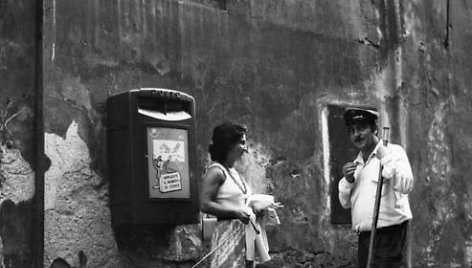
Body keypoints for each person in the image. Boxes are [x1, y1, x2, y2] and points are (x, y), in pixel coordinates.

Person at [338, 108, 414, 268]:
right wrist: (348, 181)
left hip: (391, 235)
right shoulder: (356, 164)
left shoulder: (394, 152)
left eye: (361, 128)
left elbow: (406, 185)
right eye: (352, 131)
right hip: (365, 239)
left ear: (375, 129)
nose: (356, 135)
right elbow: (345, 203)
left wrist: (385, 157)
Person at [200, 122, 255, 268]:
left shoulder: (234, 172)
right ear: (229, 144)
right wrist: (235, 212)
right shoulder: (216, 172)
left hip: (243, 234)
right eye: (242, 143)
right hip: (227, 234)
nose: (245, 148)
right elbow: (204, 203)